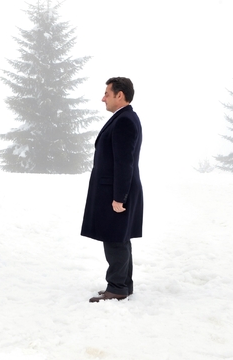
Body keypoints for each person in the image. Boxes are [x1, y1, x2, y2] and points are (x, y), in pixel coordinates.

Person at [81, 77, 143, 303]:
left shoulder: (125, 121)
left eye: (107, 93)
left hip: (117, 192)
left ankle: (117, 288)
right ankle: (123, 284)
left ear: (120, 95)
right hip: (117, 190)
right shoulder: (124, 118)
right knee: (120, 238)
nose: (103, 98)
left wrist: (119, 197)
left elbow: (124, 162)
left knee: (115, 239)